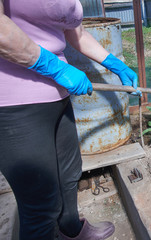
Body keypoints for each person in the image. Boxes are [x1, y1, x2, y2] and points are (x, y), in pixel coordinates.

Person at [0, 0, 140, 239]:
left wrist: (114, 64)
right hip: (15, 104)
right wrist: (54, 66)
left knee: (69, 173)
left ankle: (71, 230)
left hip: (59, 96)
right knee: (40, 204)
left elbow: (76, 32)